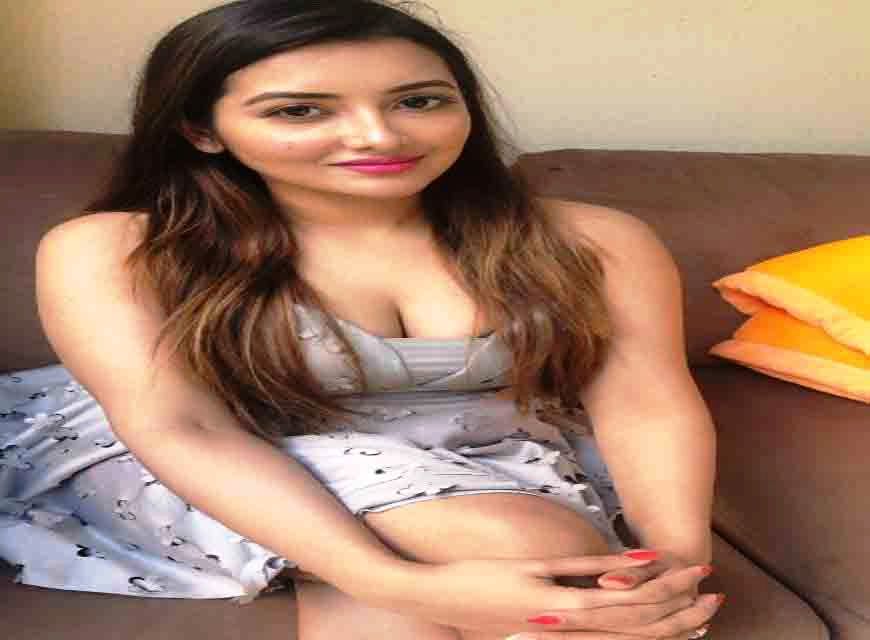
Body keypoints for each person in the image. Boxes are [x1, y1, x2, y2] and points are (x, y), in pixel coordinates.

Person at [0, 1, 722, 638]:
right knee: (526, 551)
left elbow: (644, 403)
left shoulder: (593, 238)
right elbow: (182, 428)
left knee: (593, 591)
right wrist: (391, 582)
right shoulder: (118, 247)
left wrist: (677, 565)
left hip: (486, 458)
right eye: (300, 110)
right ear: (202, 130)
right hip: (212, 454)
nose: (378, 136)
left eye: (418, 101)